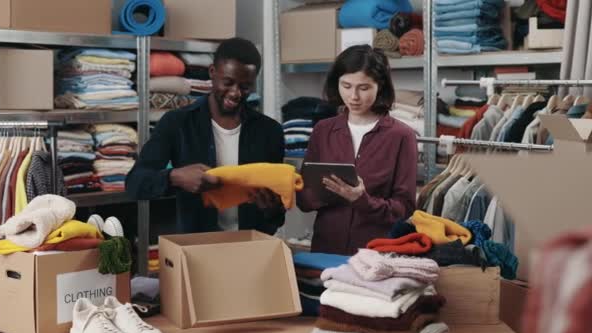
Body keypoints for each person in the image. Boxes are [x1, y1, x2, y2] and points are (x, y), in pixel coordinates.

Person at [126, 37, 286, 235]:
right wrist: (175, 177)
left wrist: (270, 208)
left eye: (245, 86)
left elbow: (278, 216)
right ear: (212, 73)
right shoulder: (177, 123)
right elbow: (135, 183)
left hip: (251, 247)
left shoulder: (270, 132)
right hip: (197, 248)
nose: (235, 93)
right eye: (228, 82)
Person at [297, 45, 417, 255]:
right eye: (346, 86)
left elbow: (404, 209)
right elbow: (304, 200)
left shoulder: (401, 136)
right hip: (326, 251)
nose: (353, 96)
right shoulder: (323, 131)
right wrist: (328, 193)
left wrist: (361, 200)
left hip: (376, 255)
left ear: (380, 86)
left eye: (363, 88)